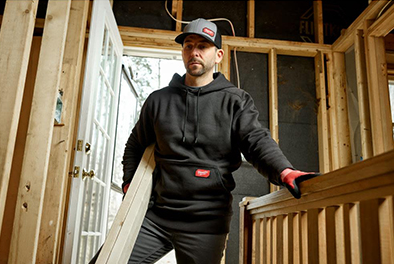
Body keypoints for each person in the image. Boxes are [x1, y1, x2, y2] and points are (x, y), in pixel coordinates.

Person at [92, 18, 318, 264]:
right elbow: (134, 145)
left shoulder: (235, 100)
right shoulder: (158, 100)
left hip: (206, 224)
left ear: (218, 55)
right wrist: (129, 184)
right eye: (188, 46)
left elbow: (256, 141)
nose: (194, 52)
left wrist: (285, 172)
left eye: (203, 46)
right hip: (155, 217)